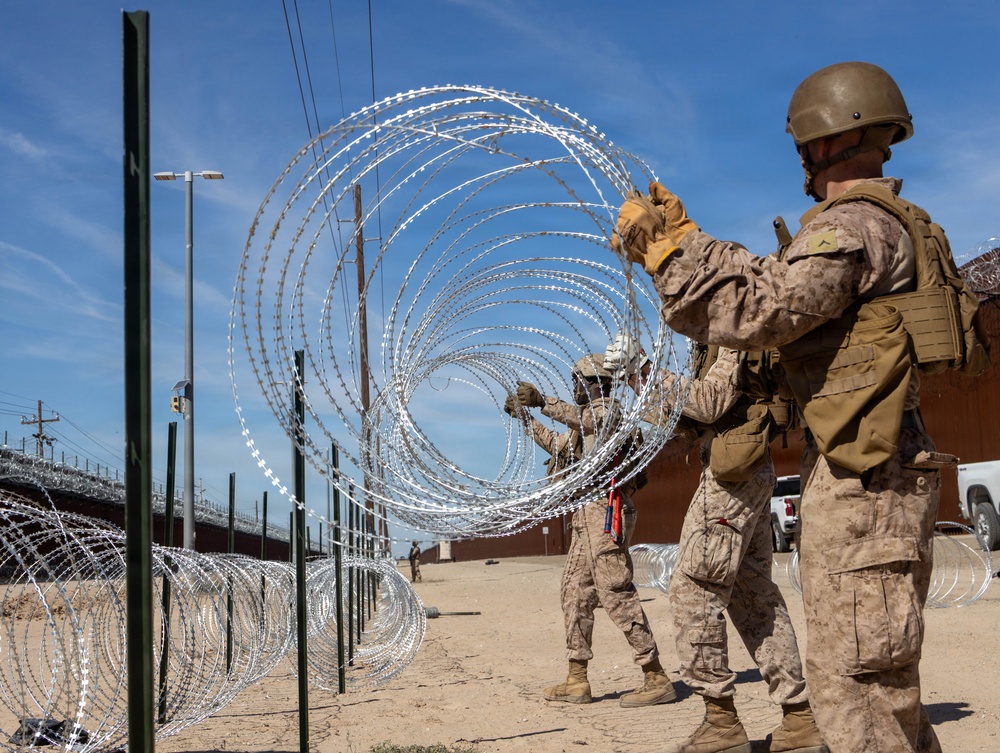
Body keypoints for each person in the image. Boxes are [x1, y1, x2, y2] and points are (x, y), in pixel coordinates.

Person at [611, 62, 989, 753]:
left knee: (858, 695)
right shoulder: (877, 226)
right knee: (879, 694)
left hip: (867, 482)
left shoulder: (855, 225)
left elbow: (766, 306)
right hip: (868, 470)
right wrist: (690, 238)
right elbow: (778, 283)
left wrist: (668, 256)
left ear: (823, 140)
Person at [606, 335, 824, 753]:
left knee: (694, 588)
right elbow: (690, 417)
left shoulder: (733, 332)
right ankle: (799, 719)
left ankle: (721, 721)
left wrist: (646, 371)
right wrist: (639, 380)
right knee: (754, 597)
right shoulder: (712, 340)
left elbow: (709, 403)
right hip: (740, 469)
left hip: (733, 476)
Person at [505, 353, 675, 708]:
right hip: (587, 514)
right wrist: (526, 418)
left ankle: (656, 676)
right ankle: (577, 679)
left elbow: (586, 420)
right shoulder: (583, 425)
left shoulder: (608, 412)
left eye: (576, 382)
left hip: (605, 510)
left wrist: (543, 402)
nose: (573, 389)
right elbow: (559, 446)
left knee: (615, 591)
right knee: (575, 593)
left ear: (592, 382)